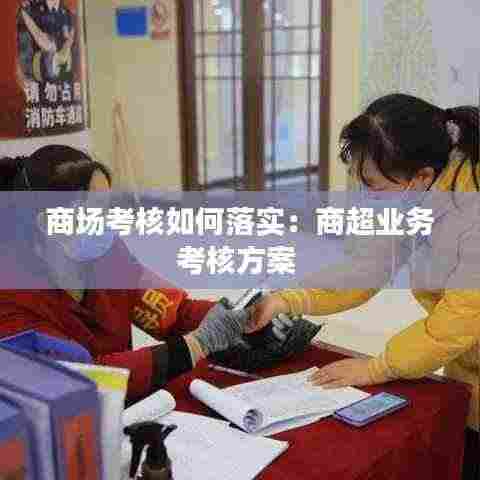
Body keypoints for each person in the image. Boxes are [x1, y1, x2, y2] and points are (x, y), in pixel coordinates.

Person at [248, 94, 479, 480]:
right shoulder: (415, 196)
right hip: (466, 356)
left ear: (422, 176)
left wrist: (378, 367)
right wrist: (287, 299)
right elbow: (365, 268)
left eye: (372, 185)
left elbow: (458, 320)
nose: (365, 195)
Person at [0, 145, 290, 404]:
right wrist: (196, 344)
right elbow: (82, 379)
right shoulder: (11, 297)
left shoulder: (108, 255)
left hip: (132, 406)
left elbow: (170, 311)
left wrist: (240, 317)